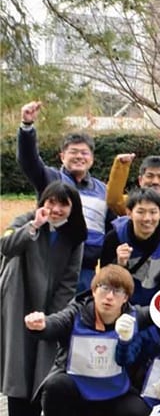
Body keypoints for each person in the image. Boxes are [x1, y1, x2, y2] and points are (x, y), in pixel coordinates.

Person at [22, 266, 151, 416]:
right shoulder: (76, 313)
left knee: (140, 413)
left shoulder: (134, 316)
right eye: (104, 288)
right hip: (77, 392)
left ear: (125, 298)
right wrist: (41, 324)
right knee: (54, 385)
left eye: (118, 291)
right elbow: (56, 322)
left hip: (113, 394)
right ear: (93, 291)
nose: (109, 297)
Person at [1, 181, 86, 416]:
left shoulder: (74, 235)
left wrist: (54, 316)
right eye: (51, 202)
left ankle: (48, 414)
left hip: (51, 303)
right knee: (19, 357)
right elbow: (6, 247)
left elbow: (70, 278)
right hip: (19, 297)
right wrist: (34, 226)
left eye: (63, 204)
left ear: (73, 208)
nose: (56, 209)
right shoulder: (25, 220)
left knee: (46, 356)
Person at [16, 100, 109, 289]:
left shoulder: (103, 190)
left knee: (82, 315)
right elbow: (29, 161)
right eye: (73, 152)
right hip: (52, 263)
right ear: (62, 156)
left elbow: (111, 226)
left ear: (92, 158)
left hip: (87, 269)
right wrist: (27, 127)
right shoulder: (50, 178)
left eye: (84, 153)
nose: (79, 157)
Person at [100, 189, 160, 308]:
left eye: (153, 212)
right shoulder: (115, 237)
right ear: (129, 213)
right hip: (121, 307)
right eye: (141, 212)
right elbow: (104, 282)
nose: (147, 218)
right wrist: (119, 264)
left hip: (158, 307)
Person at [105, 154, 160, 242]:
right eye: (150, 176)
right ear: (140, 180)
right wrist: (121, 166)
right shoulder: (131, 202)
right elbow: (113, 200)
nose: (155, 181)